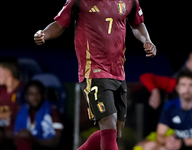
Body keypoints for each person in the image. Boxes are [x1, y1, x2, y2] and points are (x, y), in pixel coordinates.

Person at [34, 0, 157, 149]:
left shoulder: (130, 1)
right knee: (108, 124)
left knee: (114, 132)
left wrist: (147, 40)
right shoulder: (79, 1)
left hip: (118, 72)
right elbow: (60, 24)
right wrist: (44, 34)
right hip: (93, 70)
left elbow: (137, 24)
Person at [136, 69, 192, 150]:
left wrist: (183, 142)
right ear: (177, 88)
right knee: (149, 146)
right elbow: (160, 134)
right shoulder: (170, 106)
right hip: (175, 145)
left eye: (190, 85)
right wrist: (167, 142)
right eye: (183, 85)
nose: (187, 89)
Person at [14, 80, 64, 150]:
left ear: (43, 95)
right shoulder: (21, 112)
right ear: (26, 96)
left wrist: (33, 140)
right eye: (31, 94)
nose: (34, 97)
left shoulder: (53, 112)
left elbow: (56, 141)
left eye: (38, 93)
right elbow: (14, 136)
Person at [0, 56, 24, 150]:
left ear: (8, 72)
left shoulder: (24, 91)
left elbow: (18, 115)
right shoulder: (1, 90)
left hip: (18, 133)